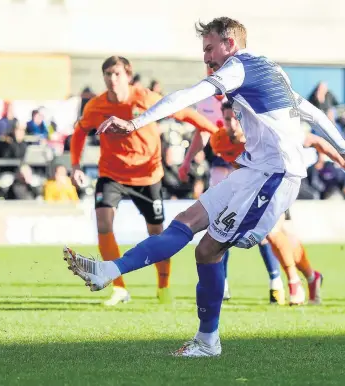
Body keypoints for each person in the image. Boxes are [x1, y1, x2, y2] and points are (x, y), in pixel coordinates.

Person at [63, 17, 345, 357]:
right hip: (253, 169)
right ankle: (109, 270)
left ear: (230, 44)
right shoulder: (271, 69)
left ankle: (209, 340)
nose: (207, 58)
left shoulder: (238, 67)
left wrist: (136, 122)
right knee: (186, 220)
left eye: (210, 49)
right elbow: (313, 113)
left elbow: (190, 94)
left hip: (274, 176)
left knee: (208, 250)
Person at [70, 56, 219, 306]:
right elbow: (79, 132)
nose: (111, 79)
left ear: (128, 75)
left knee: (156, 233)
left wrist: (217, 132)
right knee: (104, 224)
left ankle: (163, 284)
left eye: (116, 74)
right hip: (111, 174)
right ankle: (118, 288)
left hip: (147, 176)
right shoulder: (95, 106)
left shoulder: (145, 98)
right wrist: (75, 165)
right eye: (107, 74)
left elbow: (184, 113)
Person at [181, 101, 335, 305]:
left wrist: (341, 157)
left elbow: (315, 141)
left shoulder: (266, 134)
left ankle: (293, 283)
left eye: (236, 120)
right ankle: (311, 276)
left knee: (272, 234)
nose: (232, 125)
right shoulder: (219, 141)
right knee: (286, 239)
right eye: (227, 120)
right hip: (254, 189)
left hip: (278, 185)